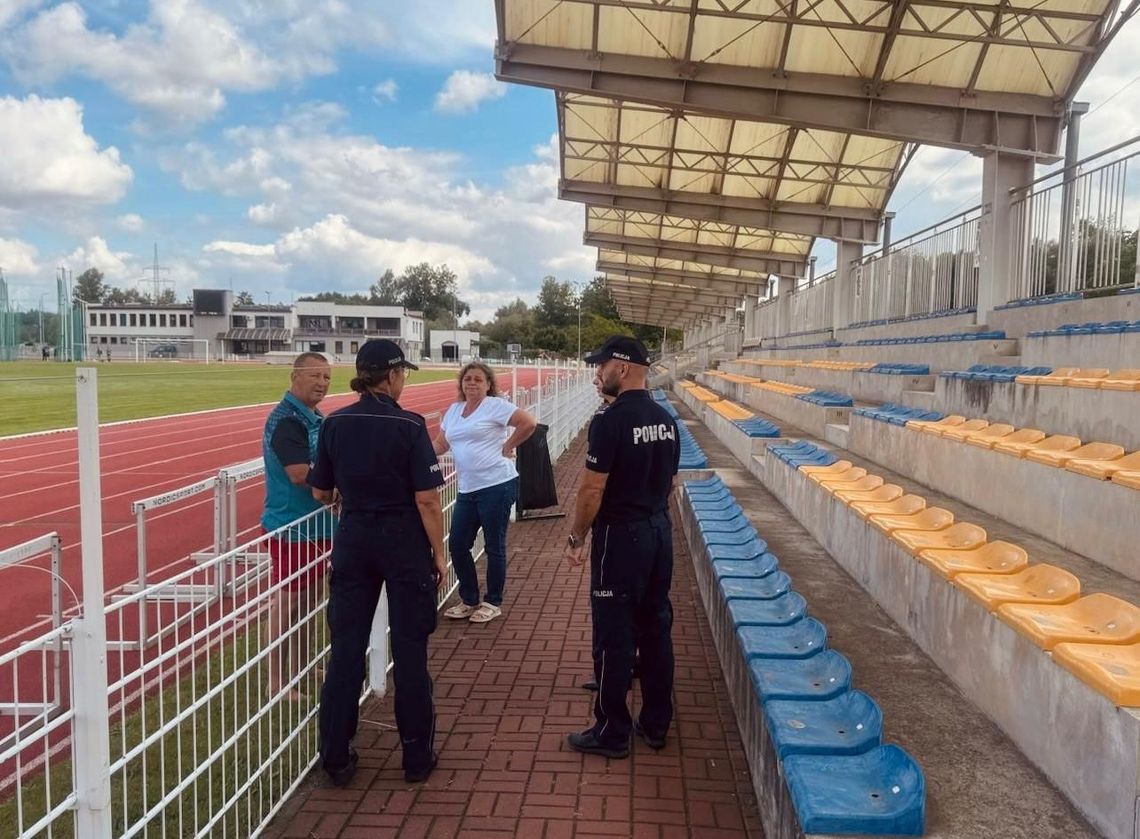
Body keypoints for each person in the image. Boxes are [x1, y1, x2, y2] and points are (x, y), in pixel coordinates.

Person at [308, 339, 446, 787]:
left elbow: (321, 492)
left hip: (355, 538)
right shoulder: (409, 425)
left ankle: (334, 756)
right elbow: (427, 499)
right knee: (409, 649)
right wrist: (439, 555)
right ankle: (416, 757)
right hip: (402, 539)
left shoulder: (334, 423)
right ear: (390, 376)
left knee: (346, 648)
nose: (403, 381)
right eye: (402, 373)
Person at [564, 336, 679, 758]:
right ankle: (656, 721)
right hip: (658, 531)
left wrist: (577, 537)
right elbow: (671, 482)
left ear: (624, 369)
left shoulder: (610, 421)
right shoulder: (665, 419)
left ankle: (612, 730)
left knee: (614, 633)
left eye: (603, 365)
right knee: (655, 627)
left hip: (621, 536)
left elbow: (592, 490)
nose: (598, 372)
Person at [433, 362, 536, 624]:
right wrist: (414, 452)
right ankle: (469, 599)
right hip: (468, 488)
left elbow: (528, 423)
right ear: (461, 383)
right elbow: (441, 444)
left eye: (478, 380)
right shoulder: (454, 410)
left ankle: (492, 602)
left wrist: (509, 445)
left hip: (497, 484)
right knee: (457, 543)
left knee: (494, 545)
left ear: (488, 384)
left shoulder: (495, 406)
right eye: (468, 379)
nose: (472, 383)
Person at [261, 352, 333, 700]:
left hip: (317, 525)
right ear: (294, 376)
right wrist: (339, 490)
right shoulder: (288, 421)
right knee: (288, 603)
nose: (321, 383)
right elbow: (299, 473)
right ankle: (277, 682)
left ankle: (301, 667)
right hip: (293, 525)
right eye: (315, 375)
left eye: (327, 377)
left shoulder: (313, 416)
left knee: (309, 601)